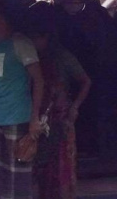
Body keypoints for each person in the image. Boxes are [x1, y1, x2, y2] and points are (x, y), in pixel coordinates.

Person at [0, 2, 44, 199]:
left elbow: (39, 80)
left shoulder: (20, 43)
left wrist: (34, 118)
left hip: (17, 118)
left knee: (17, 180)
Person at [31, 26, 92, 199]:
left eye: (35, 38)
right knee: (42, 166)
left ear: (45, 37)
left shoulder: (63, 56)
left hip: (61, 118)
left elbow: (86, 81)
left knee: (62, 166)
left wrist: (75, 107)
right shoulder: (34, 58)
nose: (33, 42)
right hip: (42, 120)